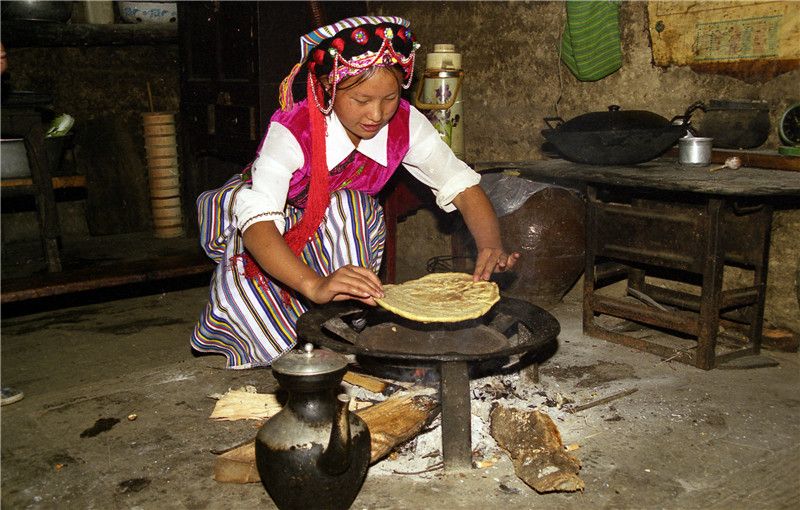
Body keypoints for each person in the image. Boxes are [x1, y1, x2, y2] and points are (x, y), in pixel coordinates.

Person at [191, 16, 519, 369]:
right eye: (361, 99)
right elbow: (258, 225)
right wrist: (314, 285)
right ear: (330, 87)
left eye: (390, 98)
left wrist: (490, 243)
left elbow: (464, 188)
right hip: (269, 229)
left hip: (333, 222)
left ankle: (347, 319)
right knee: (284, 344)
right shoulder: (293, 129)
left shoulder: (405, 124)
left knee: (352, 205)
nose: (376, 114)